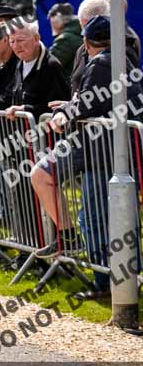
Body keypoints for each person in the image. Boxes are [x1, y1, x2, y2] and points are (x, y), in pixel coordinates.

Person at [31, 16, 143, 299]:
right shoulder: (122, 59)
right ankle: (121, 280)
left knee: (93, 219)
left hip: (101, 152)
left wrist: (65, 113)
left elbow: (88, 102)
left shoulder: (102, 63)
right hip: (111, 150)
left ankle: (106, 283)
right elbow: (97, 100)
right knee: (111, 219)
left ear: (87, 42)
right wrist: (71, 106)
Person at [47, 3, 83, 77]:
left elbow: (48, 66)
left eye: (53, 16)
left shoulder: (64, 40)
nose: (51, 21)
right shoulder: (80, 32)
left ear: (58, 18)